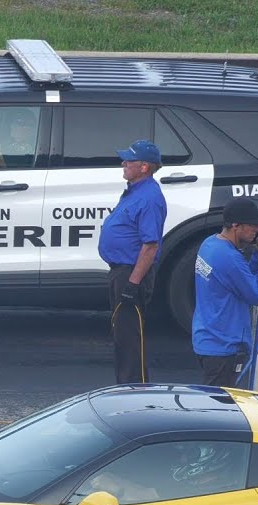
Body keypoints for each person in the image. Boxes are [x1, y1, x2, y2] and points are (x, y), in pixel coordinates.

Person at [97, 139, 167, 384]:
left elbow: (150, 245)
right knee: (121, 335)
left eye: (129, 160)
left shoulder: (149, 197)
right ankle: (126, 385)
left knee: (129, 339)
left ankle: (133, 390)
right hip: (122, 271)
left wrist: (133, 283)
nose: (124, 163)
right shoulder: (135, 191)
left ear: (145, 167)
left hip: (130, 273)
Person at [192, 198, 258, 387]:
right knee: (220, 409)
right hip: (224, 347)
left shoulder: (210, 244)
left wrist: (256, 255)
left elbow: (240, 280)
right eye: (252, 225)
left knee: (212, 403)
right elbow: (257, 296)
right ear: (235, 226)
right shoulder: (229, 257)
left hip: (207, 339)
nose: (257, 230)